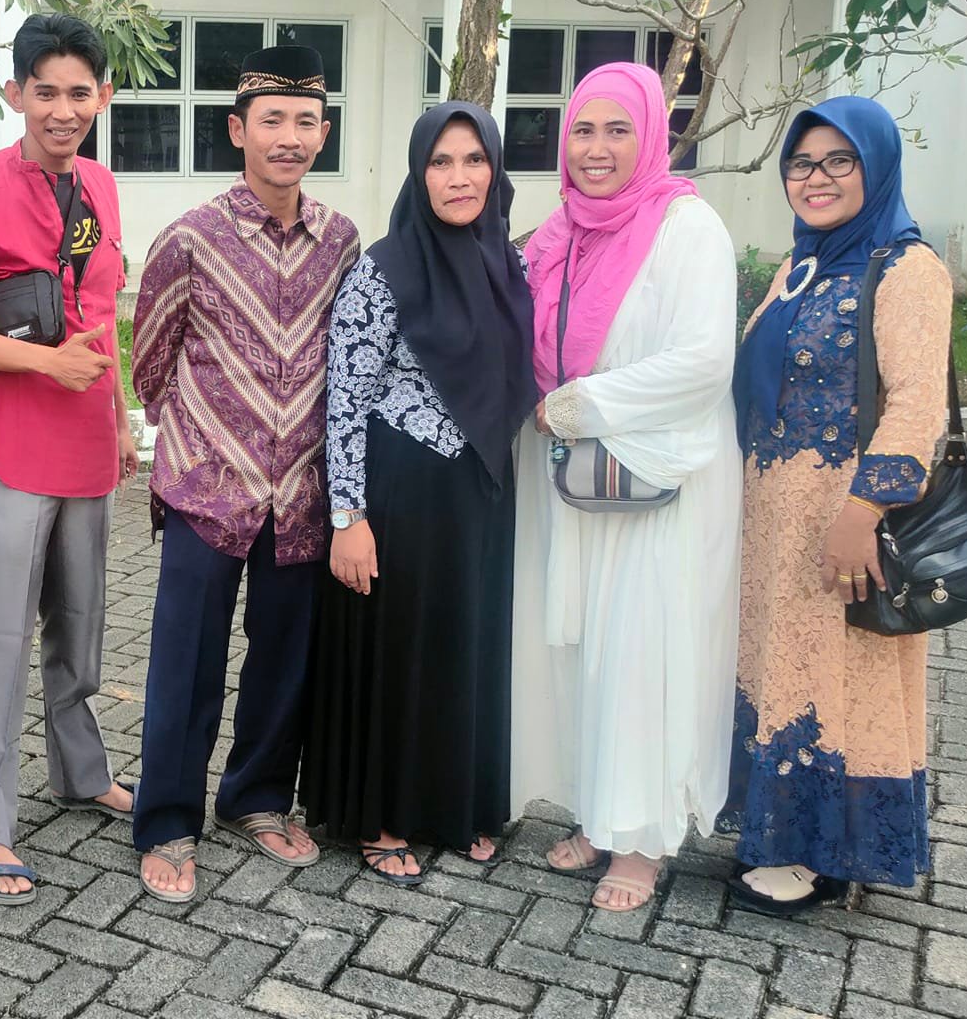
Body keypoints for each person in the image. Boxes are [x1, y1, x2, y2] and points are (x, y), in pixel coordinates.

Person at [0, 13, 138, 905]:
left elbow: (100, 317)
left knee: (80, 626)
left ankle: (81, 773)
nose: (62, 109)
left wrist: (119, 417)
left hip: (87, 442)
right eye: (45, 92)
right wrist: (45, 365)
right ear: (16, 94)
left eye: (80, 92)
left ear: (103, 97)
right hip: (6, 443)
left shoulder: (103, 187)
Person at [129, 46, 361, 902]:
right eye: (272, 121)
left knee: (284, 660)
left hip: (301, 493)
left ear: (323, 134)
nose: (289, 137)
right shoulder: (191, 237)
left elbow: (348, 362)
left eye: (305, 122)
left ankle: (255, 797)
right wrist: (207, 437)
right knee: (185, 663)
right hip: (205, 489)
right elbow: (150, 361)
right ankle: (167, 819)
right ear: (238, 130)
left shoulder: (342, 242)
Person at [509, 62, 742, 913]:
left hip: (655, 481)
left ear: (650, 138)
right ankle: (598, 812)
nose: (597, 149)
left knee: (643, 653)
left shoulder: (687, 227)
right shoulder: (557, 234)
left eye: (618, 131)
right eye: (582, 130)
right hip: (575, 479)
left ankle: (640, 841)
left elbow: (703, 362)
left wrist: (582, 405)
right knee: (583, 649)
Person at [724, 96, 951, 914]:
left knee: (842, 672)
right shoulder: (804, 262)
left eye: (838, 161)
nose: (815, 178)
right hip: (775, 515)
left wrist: (862, 514)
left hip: (843, 514)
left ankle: (822, 855)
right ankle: (784, 835)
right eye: (801, 163)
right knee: (786, 666)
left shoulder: (906, 268)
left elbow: (918, 405)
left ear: (876, 167)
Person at [299, 102, 535, 886]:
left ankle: (456, 806)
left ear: (494, 169)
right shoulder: (386, 266)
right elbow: (345, 397)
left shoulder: (509, 263)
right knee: (401, 653)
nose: (459, 177)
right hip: (400, 489)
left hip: (481, 489)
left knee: (466, 646)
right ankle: (385, 816)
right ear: (418, 173)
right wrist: (348, 517)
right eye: (440, 162)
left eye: (474, 160)